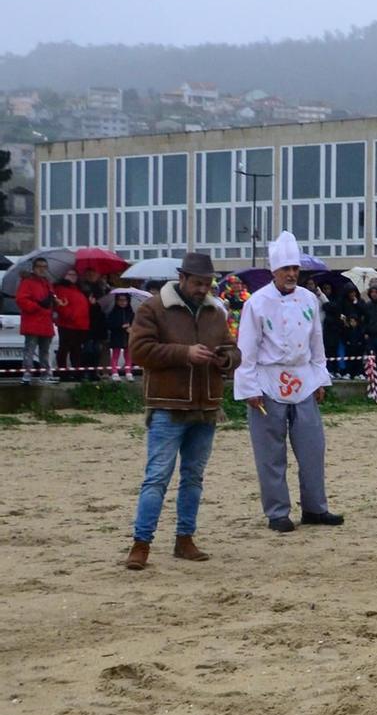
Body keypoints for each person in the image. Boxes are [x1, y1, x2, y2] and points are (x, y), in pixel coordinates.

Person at [123, 251, 242, 569]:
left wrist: (226, 359)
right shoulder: (153, 308)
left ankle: (184, 539)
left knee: (193, 478)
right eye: (198, 283)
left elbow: (232, 348)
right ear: (183, 278)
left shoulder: (215, 313)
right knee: (157, 478)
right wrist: (184, 353)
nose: (203, 289)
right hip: (168, 406)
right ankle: (141, 543)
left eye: (207, 283)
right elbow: (140, 350)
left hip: (206, 407)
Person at [235, 232, 343, 532]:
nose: (292, 274)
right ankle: (277, 511)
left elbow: (316, 343)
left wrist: (320, 378)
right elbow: (247, 348)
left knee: (312, 448)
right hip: (268, 381)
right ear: (274, 271)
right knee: (270, 453)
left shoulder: (309, 300)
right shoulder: (256, 303)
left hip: (303, 379)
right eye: (286, 270)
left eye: (295, 269)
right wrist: (249, 388)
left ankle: (315, 508)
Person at [16, 257, 59, 381]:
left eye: (44, 267)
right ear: (34, 268)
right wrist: (38, 306)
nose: (42, 269)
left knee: (45, 351)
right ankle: (27, 373)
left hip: (46, 321)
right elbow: (21, 300)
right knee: (30, 349)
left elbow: (51, 299)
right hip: (33, 321)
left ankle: (46, 373)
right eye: (39, 266)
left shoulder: (47, 283)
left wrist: (54, 302)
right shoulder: (27, 282)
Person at [53, 267, 92, 380]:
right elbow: (61, 306)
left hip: (80, 325)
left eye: (74, 274)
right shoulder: (60, 289)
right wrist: (70, 316)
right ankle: (63, 374)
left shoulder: (78, 289)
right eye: (70, 274)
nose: (72, 276)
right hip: (67, 324)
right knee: (64, 349)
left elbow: (82, 306)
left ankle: (77, 373)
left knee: (77, 350)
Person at [105, 290, 136, 380]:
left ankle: (128, 372)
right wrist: (120, 326)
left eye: (125, 300)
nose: (122, 302)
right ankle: (114, 372)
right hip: (117, 336)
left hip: (128, 336)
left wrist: (131, 328)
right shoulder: (113, 312)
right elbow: (109, 325)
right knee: (115, 354)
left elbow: (135, 323)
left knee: (128, 355)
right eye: (120, 300)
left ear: (128, 301)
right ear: (117, 301)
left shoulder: (131, 312)